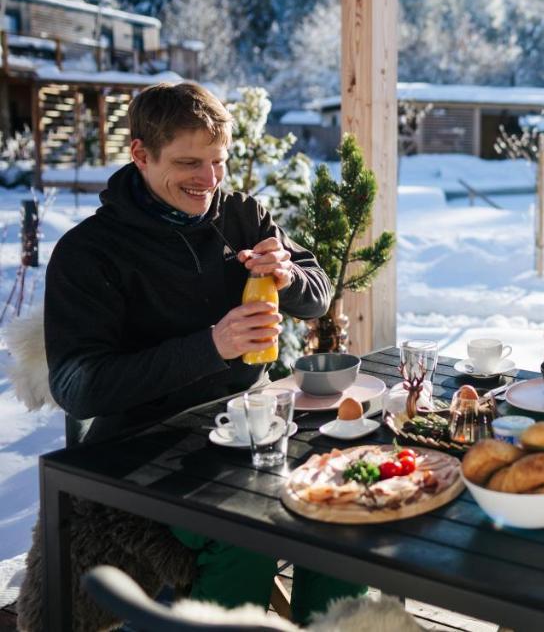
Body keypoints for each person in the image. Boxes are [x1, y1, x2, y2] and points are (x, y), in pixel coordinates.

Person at [43, 82, 360, 622]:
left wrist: (287, 275)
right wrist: (212, 345)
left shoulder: (242, 215)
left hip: (252, 428)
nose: (209, 181)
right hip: (143, 450)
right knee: (244, 535)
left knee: (339, 508)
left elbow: (318, 293)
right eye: (190, 163)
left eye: (219, 162)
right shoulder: (89, 252)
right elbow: (77, 387)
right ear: (140, 154)